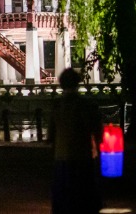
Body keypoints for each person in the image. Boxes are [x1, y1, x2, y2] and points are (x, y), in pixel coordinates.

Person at [49, 68, 104, 214]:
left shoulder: (56, 105)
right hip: (82, 155)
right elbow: (97, 130)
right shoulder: (87, 105)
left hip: (61, 156)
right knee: (83, 193)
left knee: (63, 197)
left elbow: (50, 135)